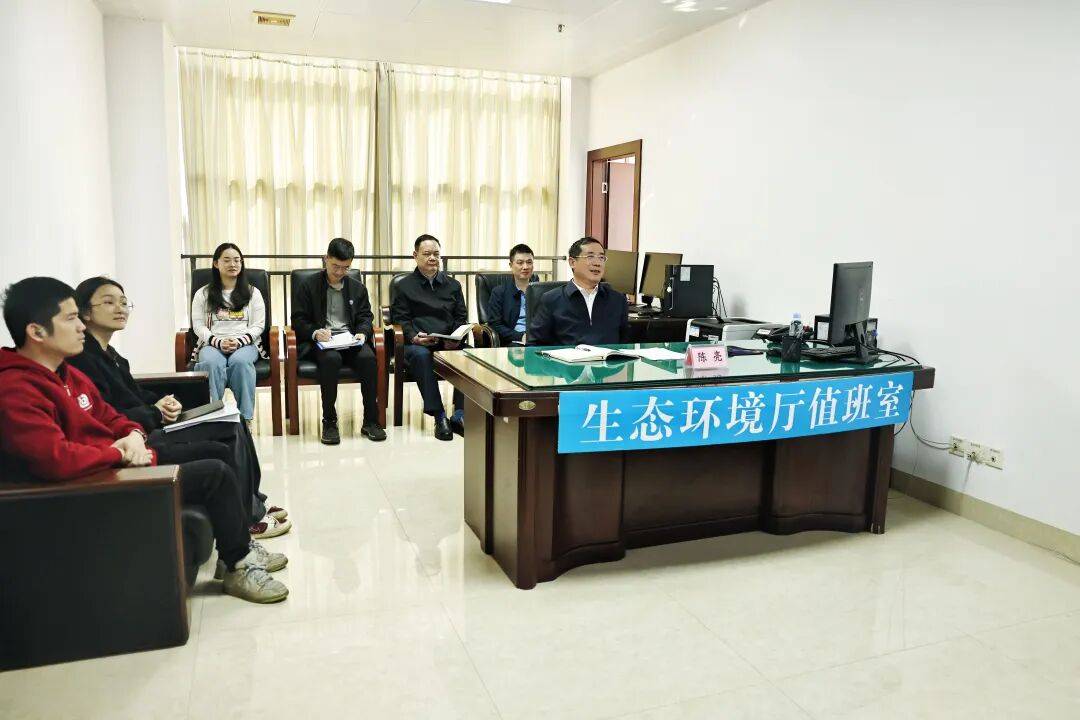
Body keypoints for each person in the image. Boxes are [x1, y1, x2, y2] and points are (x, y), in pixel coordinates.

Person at [0, 277, 288, 604]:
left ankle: (236, 551)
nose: (80, 327)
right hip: (89, 486)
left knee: (218, 452)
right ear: (37, 331)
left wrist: (133, 434)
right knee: (215, 473)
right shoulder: (16, 390)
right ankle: (238, 564)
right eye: (70, 319)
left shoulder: (66, 373)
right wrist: (117, 452)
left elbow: (110, 415)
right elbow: (56, 459)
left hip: (116, 462)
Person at [68, 276, 292, 539]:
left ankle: (254, 502)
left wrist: (161, 401)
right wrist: (155, 411)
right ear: (85, 312)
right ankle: (250, 517)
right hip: (140, 435)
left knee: (236, 420)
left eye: (124, 302)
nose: (120, 308)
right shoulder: (84, 360)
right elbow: (108, 413)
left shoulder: (111, 355)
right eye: (109, 302)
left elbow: (133, 394)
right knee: (229, 433)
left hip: (148, 423)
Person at [290, 238, 386, 445]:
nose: (340, 272)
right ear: (326, 259)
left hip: (349, 340)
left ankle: (371, 420)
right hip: (322, 343)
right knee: (331, 359)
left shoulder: (357, 288)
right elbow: (298, 319)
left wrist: (362, 333)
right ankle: (329, 421)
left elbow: (365, 316)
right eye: (336, 266)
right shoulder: (308, 286)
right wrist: (315, 332)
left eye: (346, 267)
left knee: (368, 358)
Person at [390, 234, 467, 441]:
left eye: (436, 254)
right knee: (422, 356)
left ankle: (460, 414)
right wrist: (414, 337)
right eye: (427, 254)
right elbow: (400, 319)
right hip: (417, 344)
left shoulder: (453, 285)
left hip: (447, 343)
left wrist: (455, 338)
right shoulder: (403, 286)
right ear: (415, 256)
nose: (432, 258)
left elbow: (461, 316)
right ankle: (439, 415)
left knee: (470, 355)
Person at [191, 243, 265, 423]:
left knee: (240, 362)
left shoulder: (253, 293)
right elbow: (198, 325)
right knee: (210, 363)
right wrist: (217, 342)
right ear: (216, 263)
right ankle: (212, 419)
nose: (233, 264)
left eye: (237, 260)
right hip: (212, 344)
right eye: (227, 260)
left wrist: (239, 342)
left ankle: (245, 420)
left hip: (246, 344)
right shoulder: (203, 294)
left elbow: (259, 325)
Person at [528, 237, 630, 346]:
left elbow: (625, 345)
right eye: (590, 257)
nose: (597, 263)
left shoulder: (618, 300)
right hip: (566, 357)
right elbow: (535, 345)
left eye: (601, 257)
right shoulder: (551, 300)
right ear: (572, 262)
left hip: (608, 357)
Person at [486, 244, 537, 346]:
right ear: (511, 265)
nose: (525, 267)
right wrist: (520, 337)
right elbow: (495, 325)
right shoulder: (499, 292)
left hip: (538, 339)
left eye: (529, 262)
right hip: (513, 341)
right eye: (520, 263)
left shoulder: (540, 291)